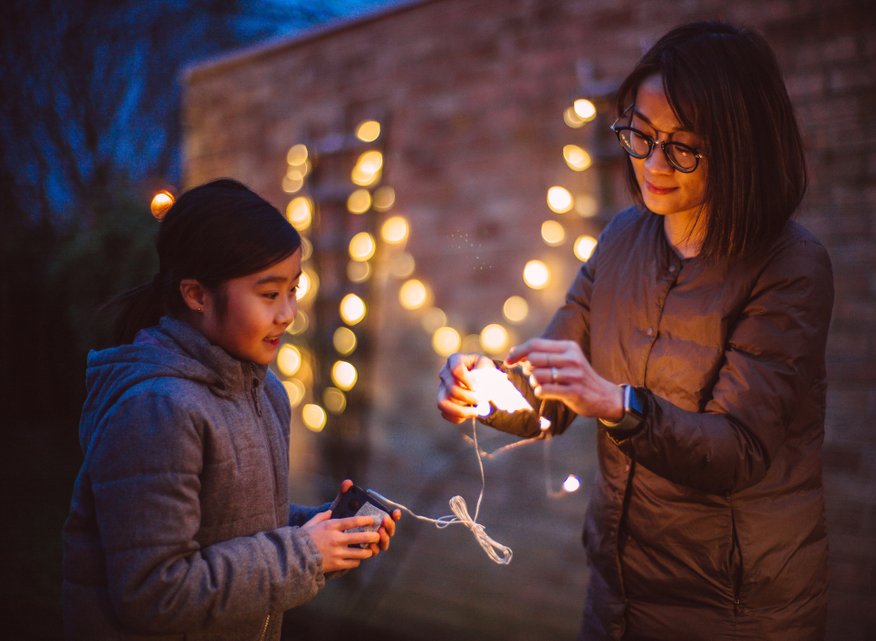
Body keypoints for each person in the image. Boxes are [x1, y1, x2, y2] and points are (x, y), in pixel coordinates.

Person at [437, 21, 833, 641]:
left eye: (682, 146)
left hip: (735, 610)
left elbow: (740, 451)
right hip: (618, 593)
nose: (653, 162)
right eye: (640, 135)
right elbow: (552, 397)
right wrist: (486, 392)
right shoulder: (623, 236)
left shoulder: (789, 266)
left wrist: (619, 405)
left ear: (740, 145)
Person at [62, 178, 399, 640]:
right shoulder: (157, 409)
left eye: (294, 289)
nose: (288, 313)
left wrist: (326, 532)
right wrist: (304, 552)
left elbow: (234, 527)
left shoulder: (265, 392)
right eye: (268, 293)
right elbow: (154, 594)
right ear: (196, 295)